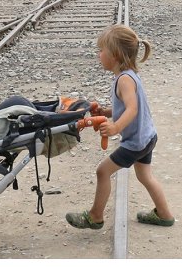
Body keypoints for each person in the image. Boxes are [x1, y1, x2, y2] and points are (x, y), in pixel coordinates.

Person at [65, 25, 174, 230]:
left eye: (101, 50)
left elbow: (132, 109)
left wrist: (115, 127)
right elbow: (126, 106)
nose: (99, 54)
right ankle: (164, 215)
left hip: (135, 142)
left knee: (103, 172)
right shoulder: (128, 74)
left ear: (114, 55)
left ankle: (95, 217)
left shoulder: (124, 80)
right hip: (147, 137)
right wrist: (107, 112)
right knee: (145, 176)